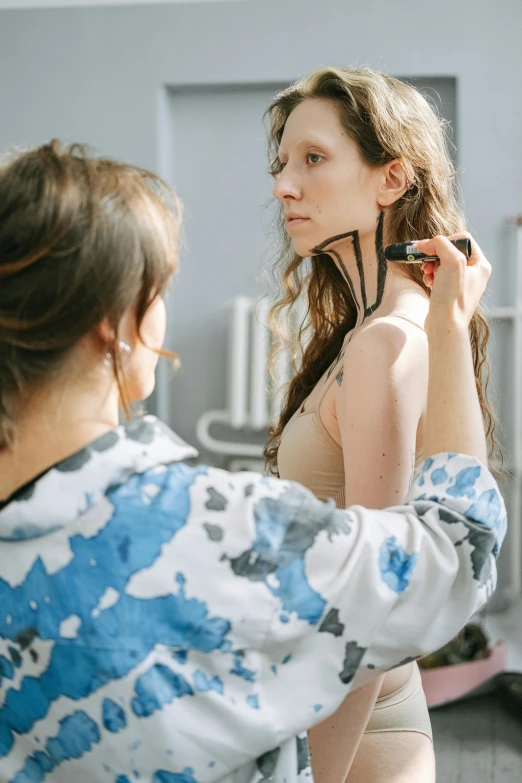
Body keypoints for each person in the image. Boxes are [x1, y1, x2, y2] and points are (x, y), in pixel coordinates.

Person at [0, 141, 505, 783]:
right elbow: (458, 550)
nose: (283, 187)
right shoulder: (209, 532)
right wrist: (451, 325)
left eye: (314, 158)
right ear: (116, 324)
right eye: (160, 290)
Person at [264, 67, 503, 782]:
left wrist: (315, 776)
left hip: (352, 731)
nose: (284, 186)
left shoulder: (384, 344)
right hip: (335, 708)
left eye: (313, 159)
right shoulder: (369, 333)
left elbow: (377, 599)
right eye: (281, 165)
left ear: (390, 179)